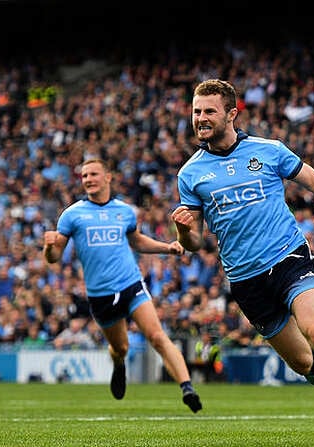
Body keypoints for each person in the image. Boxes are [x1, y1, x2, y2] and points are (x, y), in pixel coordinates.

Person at [170, 79, 314, 447]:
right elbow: (197, 243)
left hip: (289, 257)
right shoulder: (190, 173)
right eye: (196, 111)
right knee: (301, 361)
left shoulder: (268, 150)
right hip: (245, 280)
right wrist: (184, 232)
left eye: (208, 111)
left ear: (231, 113)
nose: (200, 118)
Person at [43, 158, 202, 413]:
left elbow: (137, 241)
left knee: (157, 336)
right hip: (101, 295)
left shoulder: (124, 211)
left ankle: (187, 388)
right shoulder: (73, 215)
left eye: (93, 174)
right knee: (120, 348)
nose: (88, 179)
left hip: (130, 284)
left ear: (108, 177)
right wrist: (49, 246)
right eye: (84, 176)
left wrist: (167, 248)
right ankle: (119, 365)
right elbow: (54, 257)